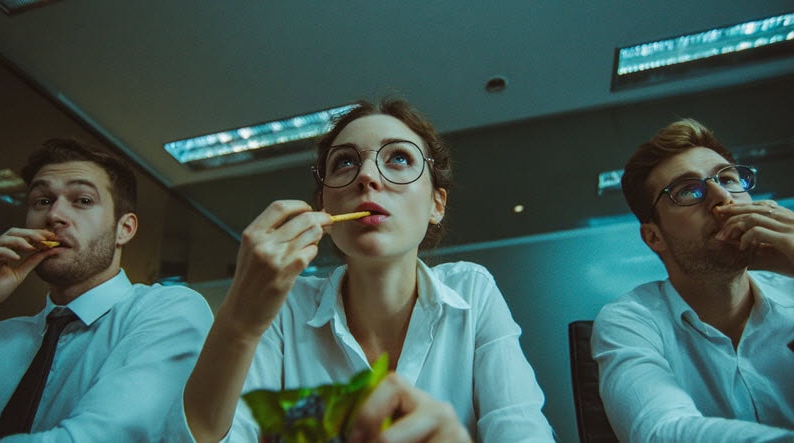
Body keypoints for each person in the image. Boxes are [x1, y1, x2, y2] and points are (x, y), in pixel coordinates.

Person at [170, 98, 555, 442]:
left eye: (399, 158)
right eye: (346, 162)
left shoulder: (473, 291)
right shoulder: (285, 307)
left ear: (437, 204)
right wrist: (239, 319)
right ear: (324, 205)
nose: (367, 177)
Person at [0, 139, 213, 441]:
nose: (54, 216)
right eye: (42, 201)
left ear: (124, 229)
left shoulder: (167, 310)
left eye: (83, 200)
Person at [591, 118, 794, 442]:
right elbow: (662, 433)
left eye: (728, 179)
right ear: (654, 237)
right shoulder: (632, 320)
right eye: (689, 190)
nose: (721, 197)